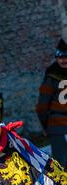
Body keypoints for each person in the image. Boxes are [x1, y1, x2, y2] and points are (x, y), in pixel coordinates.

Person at [36, 38, 67, 167]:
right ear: (56, 58)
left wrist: (46, 126)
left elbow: (42, 107)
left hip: (56, 126)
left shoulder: (50, 77)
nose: (64, 60)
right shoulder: (51, 77)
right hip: (58, 127)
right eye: (61, 58)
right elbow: (41, 107)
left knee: (61, 167)